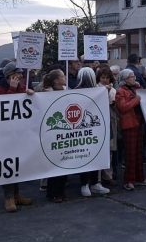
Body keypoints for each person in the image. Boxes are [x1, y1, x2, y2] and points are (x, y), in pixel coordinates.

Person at [0, 62, 34, 212]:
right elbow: (4, 107)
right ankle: (8, 197)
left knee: (18, 163)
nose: (21, 76)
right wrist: (12, 89)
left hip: (20, 133)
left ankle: (17, 195)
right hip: (5, 134)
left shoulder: (22, 87)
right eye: (18, 74)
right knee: (7, 164)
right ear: (10, 75)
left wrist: (29, 93)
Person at [74, 67, 110, 197]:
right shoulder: (91, 91)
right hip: (87, 129)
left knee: (94, 155)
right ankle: (87, 184)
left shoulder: (97, 91)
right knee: (86, 156)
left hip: (94, 129)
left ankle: (93, 183)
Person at [115, 69, 146, 191]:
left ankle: (139, 178)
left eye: (134, 76)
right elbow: (123, 108)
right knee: (130, 154)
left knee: (139, 153)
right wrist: (137, 99)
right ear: (125, 79)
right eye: (131, 77)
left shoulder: (136, 88)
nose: (134, 78)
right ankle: (129, 180)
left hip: (138, 123)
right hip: (129, 125)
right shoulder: (120, 91)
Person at [41, 69, 70, 203]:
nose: (65, 78)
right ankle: (53, 193)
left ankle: (61, 191)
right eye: (62, 76)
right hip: (52, 133)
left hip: (65, 131)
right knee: (54, 165)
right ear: (56, 80)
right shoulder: (46, 93)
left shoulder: (67, 89)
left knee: (64, 164)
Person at [96, 66, 119, 186]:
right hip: (99, 120)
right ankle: (97, 178)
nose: (105, 80)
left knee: (110, 149)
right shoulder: (95, 89)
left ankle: (107, 175)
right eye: (103, 77)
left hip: (111, 119)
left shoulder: (114, 90)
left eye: (107, 77)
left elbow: (115, 106)